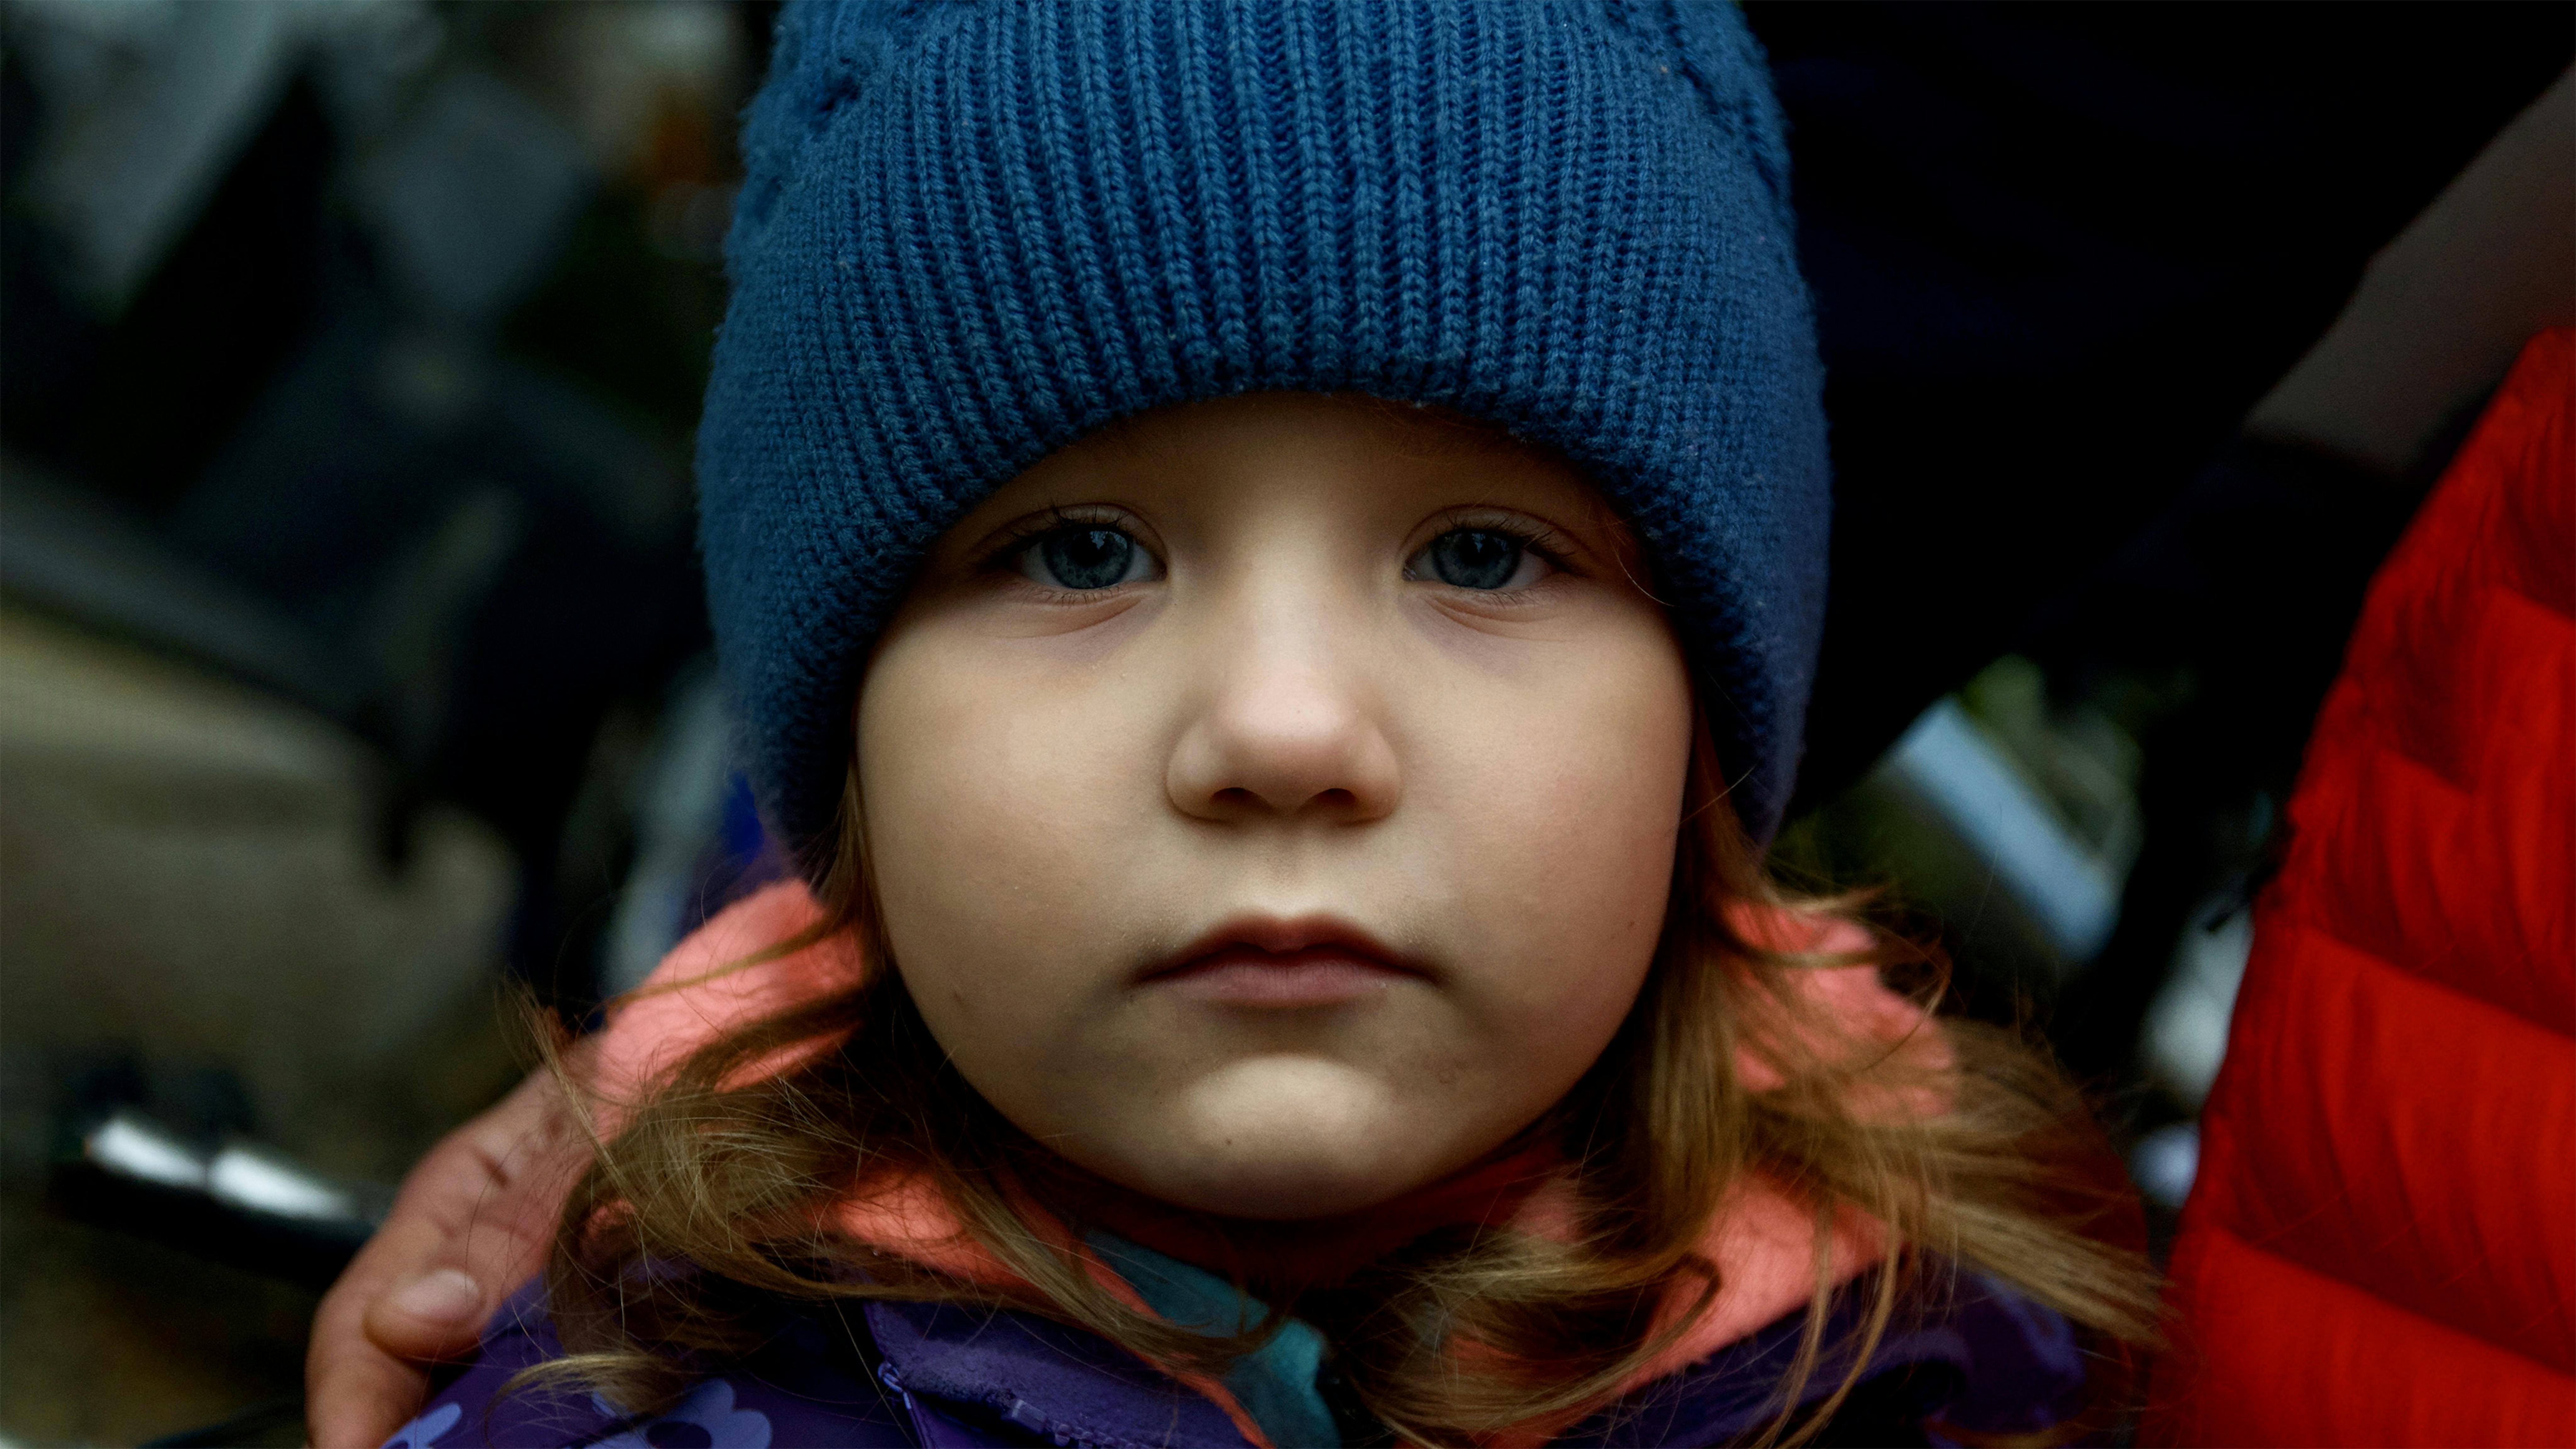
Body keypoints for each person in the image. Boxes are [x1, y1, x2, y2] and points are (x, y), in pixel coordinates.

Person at [319, 4, 2159, 1444]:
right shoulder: (639, 1391)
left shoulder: (1958, 1359)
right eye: (1083, 550)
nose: (1283, 730)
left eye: (1485, 557)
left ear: (1709, 720)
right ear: (846, 748)